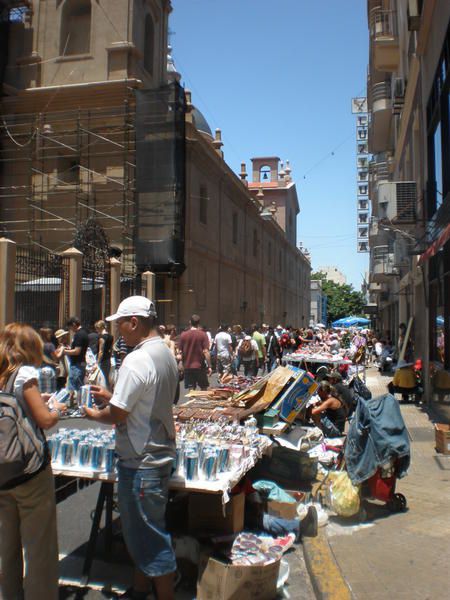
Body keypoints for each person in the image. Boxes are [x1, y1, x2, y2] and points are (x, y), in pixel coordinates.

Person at [83, 296, 178, 600]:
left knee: (149, 537)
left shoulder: (137, 359)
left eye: (120, 324)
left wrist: (95, 414)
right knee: (142, 535)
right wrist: (114, 395)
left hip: (141, 462)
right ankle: (139, 589)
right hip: (157, 455)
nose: (118, 331)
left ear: (134, 322)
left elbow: (119, 414)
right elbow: (146, 401)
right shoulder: (163, 353)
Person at [0, 323, 67, 600]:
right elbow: (45, 420)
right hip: (28, 468)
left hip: (3, 470)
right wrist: (56, 409)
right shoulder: (25, 372)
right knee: (39, 547)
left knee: (6, 547)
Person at [178, 314, 212, 391]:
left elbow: (180, 352)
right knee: (203, 388)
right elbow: (206, 352)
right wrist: (209, 366)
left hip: (188, 366)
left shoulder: (183, 335)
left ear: (190, 322)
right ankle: (202, 403)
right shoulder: (203, 335)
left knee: (191, 390)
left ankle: (191, 402)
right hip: (200, 366)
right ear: (199, 323)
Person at [64, 316, 89, 396]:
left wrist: (64, 351)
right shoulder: (84, 333)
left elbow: (77, 351)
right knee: (78, 387)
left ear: (74, 324)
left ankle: (73, 406)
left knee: (72, 388)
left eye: (70, 327)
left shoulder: (79, 335)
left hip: (76, 365)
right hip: (80, 364)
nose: (71, 330)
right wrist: (69, 349)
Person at [95, 320, 113, 388]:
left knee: (102, 379)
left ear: (100, 328)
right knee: (107, 378)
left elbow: (101, 351)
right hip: (108, 359)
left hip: (102, 361)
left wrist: (97, 362)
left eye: (97, 328)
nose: (97, 331)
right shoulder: (111, 336)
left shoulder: (102, 337)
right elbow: (111, 349)